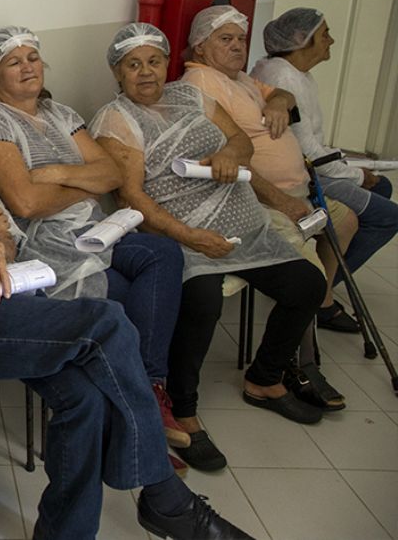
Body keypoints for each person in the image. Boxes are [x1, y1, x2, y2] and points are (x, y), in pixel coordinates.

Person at [0, 52, 253, 540]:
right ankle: (163, 495)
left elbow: (5, 229)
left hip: (2, 294)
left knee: (86, 399)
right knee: (108, 321)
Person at [91, 24, 329, 472]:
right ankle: (182, 408)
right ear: (117, 73)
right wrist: (189, 236)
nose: (146, 72)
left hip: (246, 227)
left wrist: (231, 156)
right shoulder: (115, 120)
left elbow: (240, 140)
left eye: (154, 61)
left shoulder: (191, 96)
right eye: (133, 64)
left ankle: (265, 379)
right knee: (201, 300)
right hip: (182, 233)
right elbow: (132, 197)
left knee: (307, 284)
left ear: (167, 64)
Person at [0, 26, 188, 451]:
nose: (28, 67)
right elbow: (25, 203)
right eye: (14, 61)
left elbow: (113, 174)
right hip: (44, 244)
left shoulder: (61, 114)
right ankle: (132, 410)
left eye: (33, 58)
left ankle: (148, 383)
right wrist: (86, 183)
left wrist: (58, 174)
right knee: (125, 294)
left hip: (94, 229)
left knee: (164, 254)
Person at [182, 5, 360, 337]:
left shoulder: (240, 78)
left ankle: (320, 305)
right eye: (225, 39)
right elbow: (232, 162)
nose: (237, 45)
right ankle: (296, 360)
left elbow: (282, 93)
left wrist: (279, 101)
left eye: (241, 38)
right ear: (201, 46)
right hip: (263, 199)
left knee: (347, 219)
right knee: (309, 278)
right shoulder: (202, 82)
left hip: (297, 190)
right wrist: (282, 201)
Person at [251, 7, 398, 290]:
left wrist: (350, 166)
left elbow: (314, 141)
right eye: (325, 34)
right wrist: (356, 175)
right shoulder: (282, 78)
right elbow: (307, 152)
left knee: (382, 187)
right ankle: (321, 290)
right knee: (388, 217)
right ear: (300, 38)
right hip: (302, 174)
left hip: (311, 164)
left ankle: (323, 275)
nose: (331, 41)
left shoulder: (297, 75)